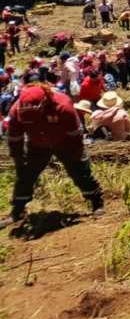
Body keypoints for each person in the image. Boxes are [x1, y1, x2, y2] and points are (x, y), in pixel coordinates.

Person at [4, 84, 104, 226]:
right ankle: (17, 211)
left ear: (44, 103)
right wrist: (18, 158)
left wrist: (76, 155)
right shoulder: (17, 110)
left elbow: (75, 135)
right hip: (37, 144)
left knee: (80, 172)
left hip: (65, 143)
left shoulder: (63, 107)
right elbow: (15, 137)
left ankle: (96, 202)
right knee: (25, 176)